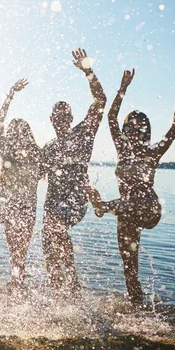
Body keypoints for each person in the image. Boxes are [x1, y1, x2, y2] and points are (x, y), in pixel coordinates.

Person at [88, 69, 175, 304]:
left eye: (140, 128)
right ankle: (137, 306)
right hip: (126, 212)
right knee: (129, 268)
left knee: (125, 204)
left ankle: (102, 206)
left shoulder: (152, 153)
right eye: (131, 128)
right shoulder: (122, 150)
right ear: (125, 132)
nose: (136, 132)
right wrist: (122, 89)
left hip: (148, 208)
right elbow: (111, 118)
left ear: (147, 132)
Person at [42, 48, 107, 291]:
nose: (60, 119)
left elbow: (100, 101)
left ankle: (72, 282)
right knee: (48, 242)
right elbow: (36, 172)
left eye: (64, 116)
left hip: (75, 200)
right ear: (51, 119)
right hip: (53, 202)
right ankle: (56, 290)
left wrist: (88, 71)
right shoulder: (48, 148)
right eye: (56, 116)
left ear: (70, 118)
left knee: (55, 224)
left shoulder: (82, 135)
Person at [0, 78, 44, 290]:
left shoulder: (38, 156)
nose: (17, 136)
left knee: (19, 252)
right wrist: (10, 93)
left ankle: (17, 283)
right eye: (14, 133)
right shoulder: (7, 153)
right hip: (8, 205)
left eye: (22, 132)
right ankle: (17, 284)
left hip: (27, 208)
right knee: (15, 250)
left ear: (28, 134)